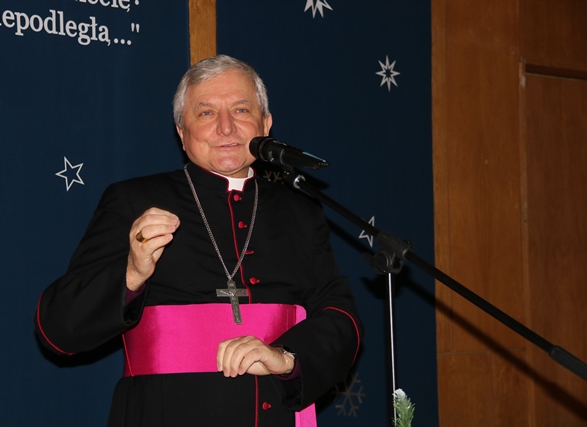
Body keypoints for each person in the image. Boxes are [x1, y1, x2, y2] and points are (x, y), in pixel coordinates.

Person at [36, 54, 362, 427]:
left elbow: (341, 319)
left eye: (241, 110)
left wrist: (287, 357)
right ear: (181, 131)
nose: (226, 127)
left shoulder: (300, 211)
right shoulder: (133, 200)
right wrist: (131, 273)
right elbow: (58, 329)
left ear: (266, 124)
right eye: (206, 113)